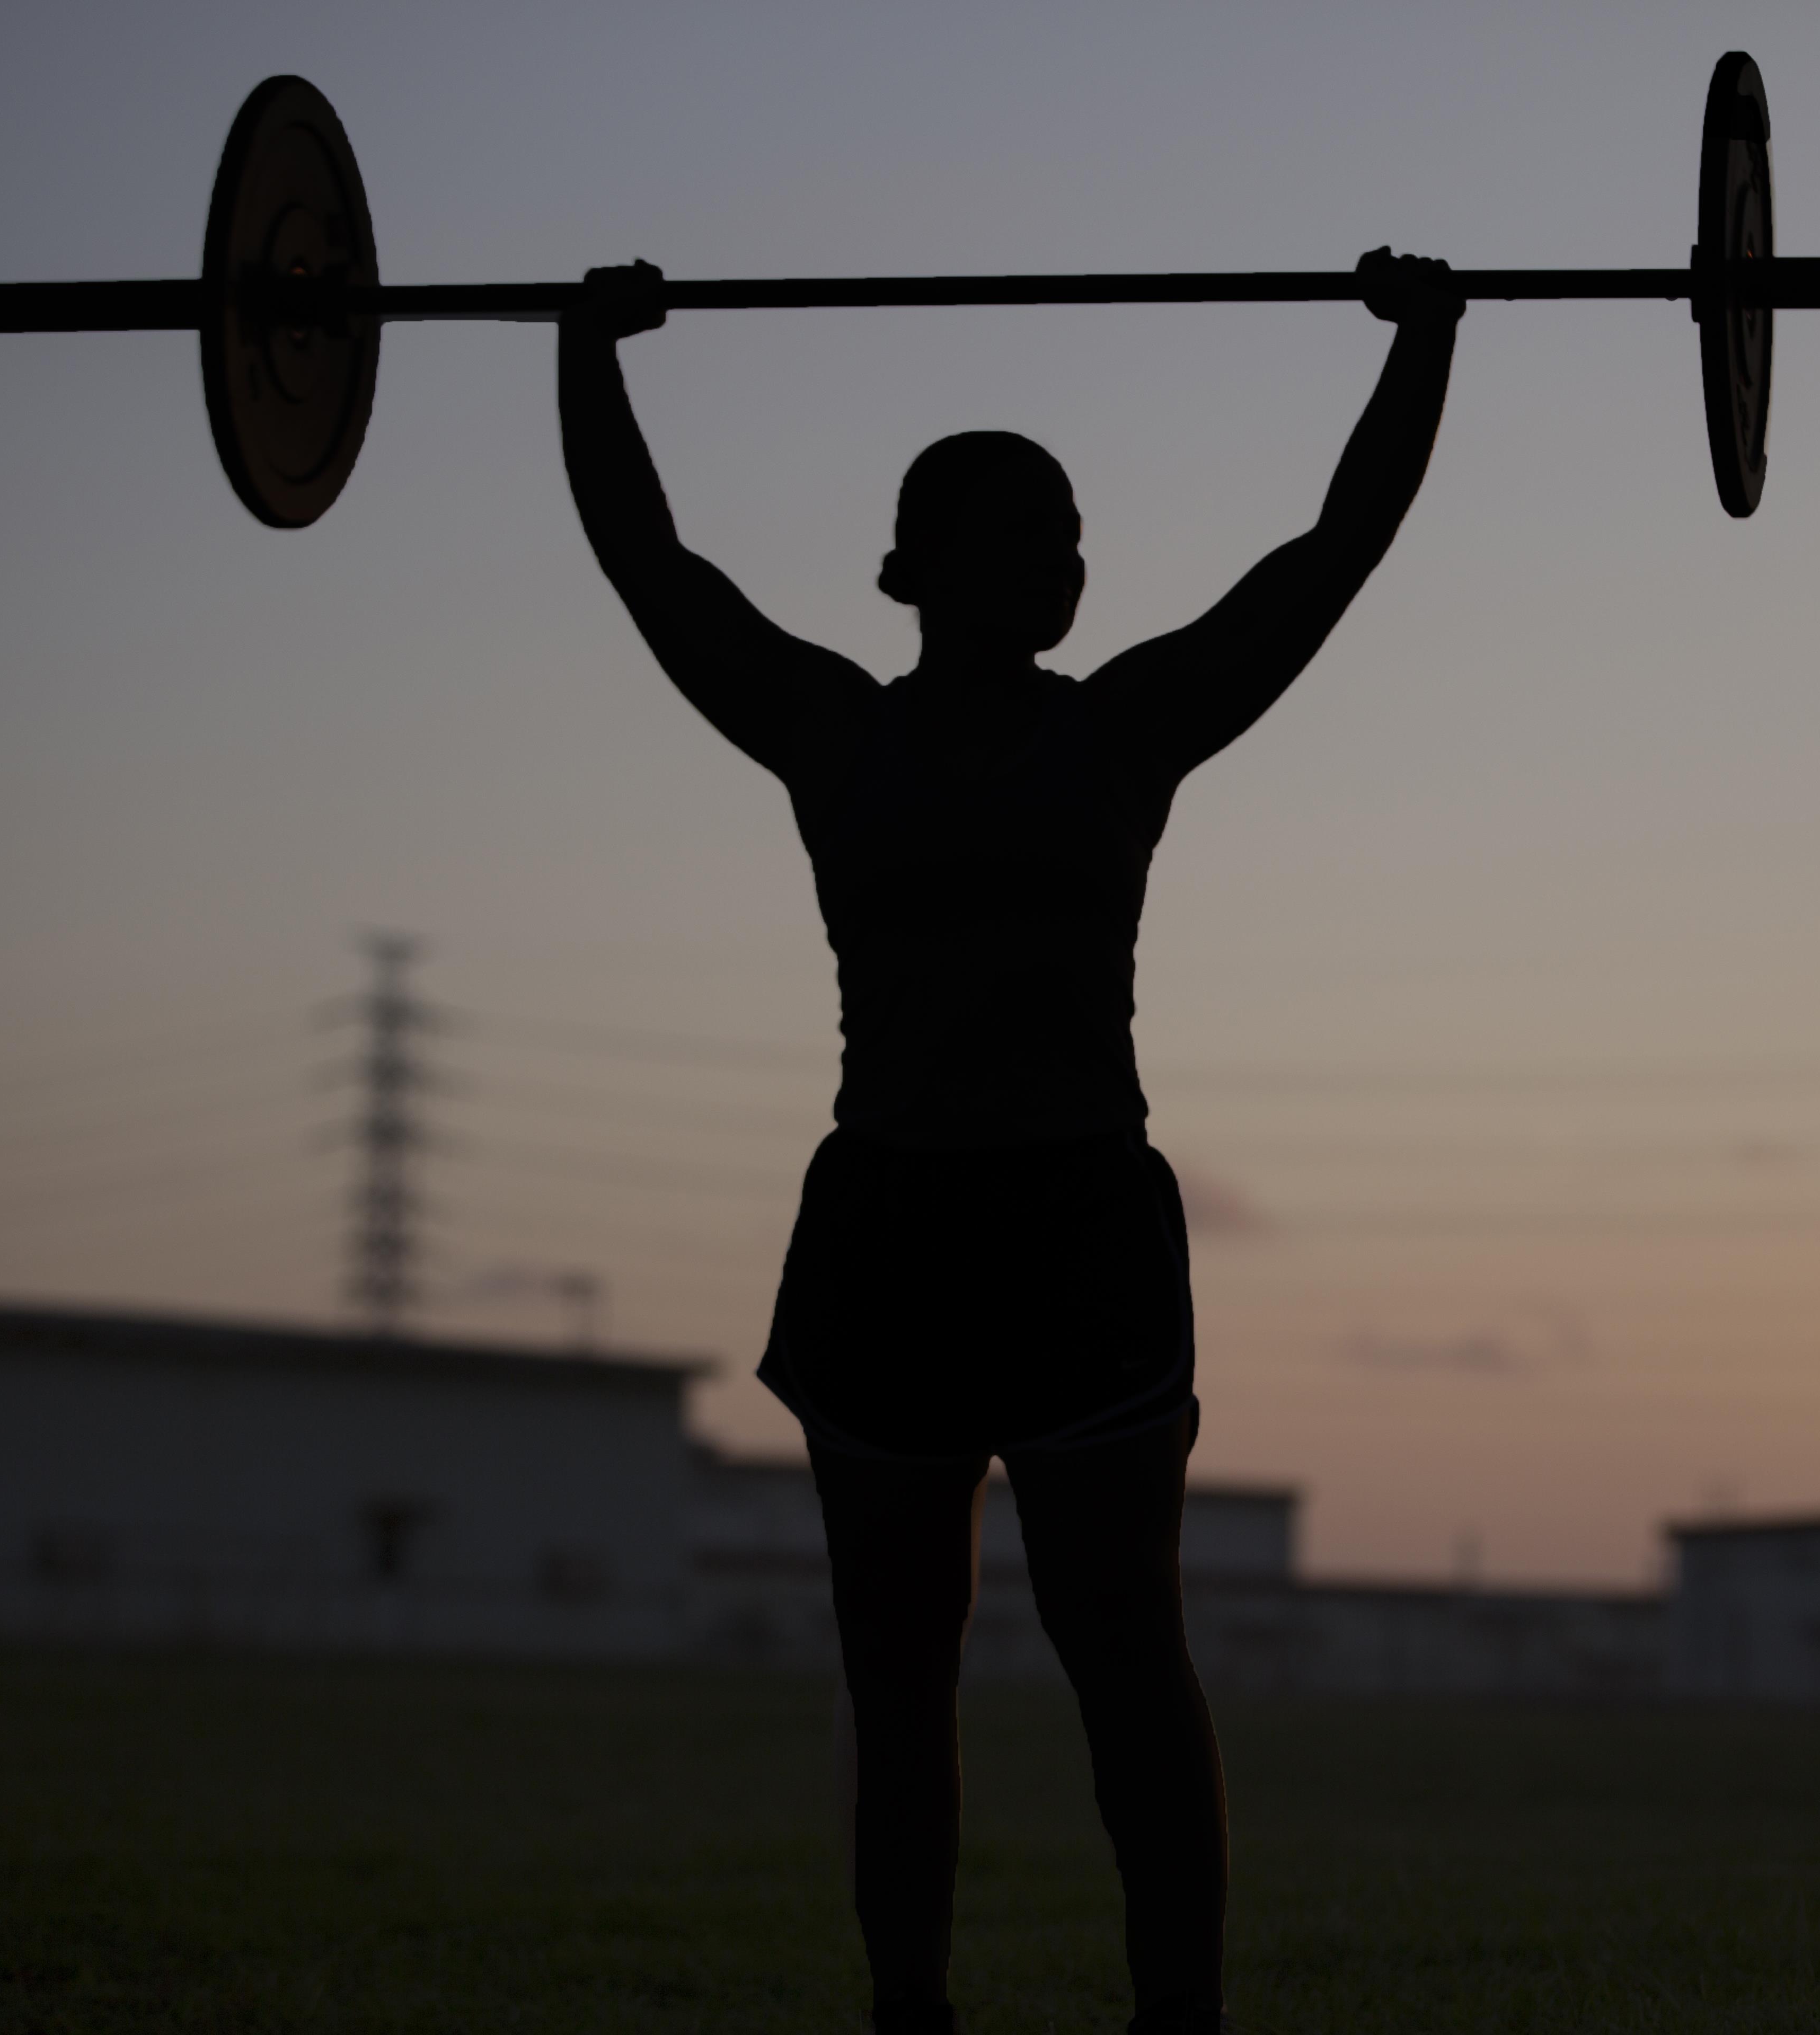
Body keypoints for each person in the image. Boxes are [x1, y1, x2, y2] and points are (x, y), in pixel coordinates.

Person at [559, 249, 1462, 2035]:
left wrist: (1423, 344)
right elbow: (650, 567)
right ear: (914, 565)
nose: (1067, 560)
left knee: (1129, 1664)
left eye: (1073, 531)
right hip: (895, 1230)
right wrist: (590, 361)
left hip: (1075, 1234)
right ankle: (913, 2018)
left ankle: (1177, 2026)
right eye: (1031, 529)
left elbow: (1330, 555)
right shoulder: (833, 730)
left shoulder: (1123, 729)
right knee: (897, 1684)